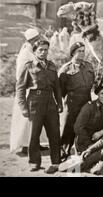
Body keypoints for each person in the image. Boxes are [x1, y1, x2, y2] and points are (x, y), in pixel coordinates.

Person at [15, 39, 63, 173]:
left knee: (54, 133)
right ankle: (34, 163)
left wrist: (59, 103)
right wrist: (23, 107)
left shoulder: (52, 66)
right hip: (35, 101)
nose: (43, 52)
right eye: (40, 50)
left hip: (50, 102)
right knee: (34, 134)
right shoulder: (29, 66)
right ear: (35, 51)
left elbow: (57, 87)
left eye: (46, 49)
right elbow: (20, 88)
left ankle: (56, 161)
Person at [10, 28, 48, 154]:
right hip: (28, 89)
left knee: (37, 118)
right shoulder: (26, 53)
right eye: (37, 38)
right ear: (32, 40)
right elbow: (22, 75)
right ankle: (26, 145)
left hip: (35, 88)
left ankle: (35, 142)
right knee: (27, 119)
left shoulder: (31, 50)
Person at [59, 42, 95, 159]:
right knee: (69, 127)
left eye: (83, 51)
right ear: (73, 53)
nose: (82, 53)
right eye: (79, 51)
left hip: (86, 100)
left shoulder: (89, 66)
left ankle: (82, 150)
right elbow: (61, 89)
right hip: (72, 102)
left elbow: (93, 82)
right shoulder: (66, 69)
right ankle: (64, 152)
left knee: (85, 126)